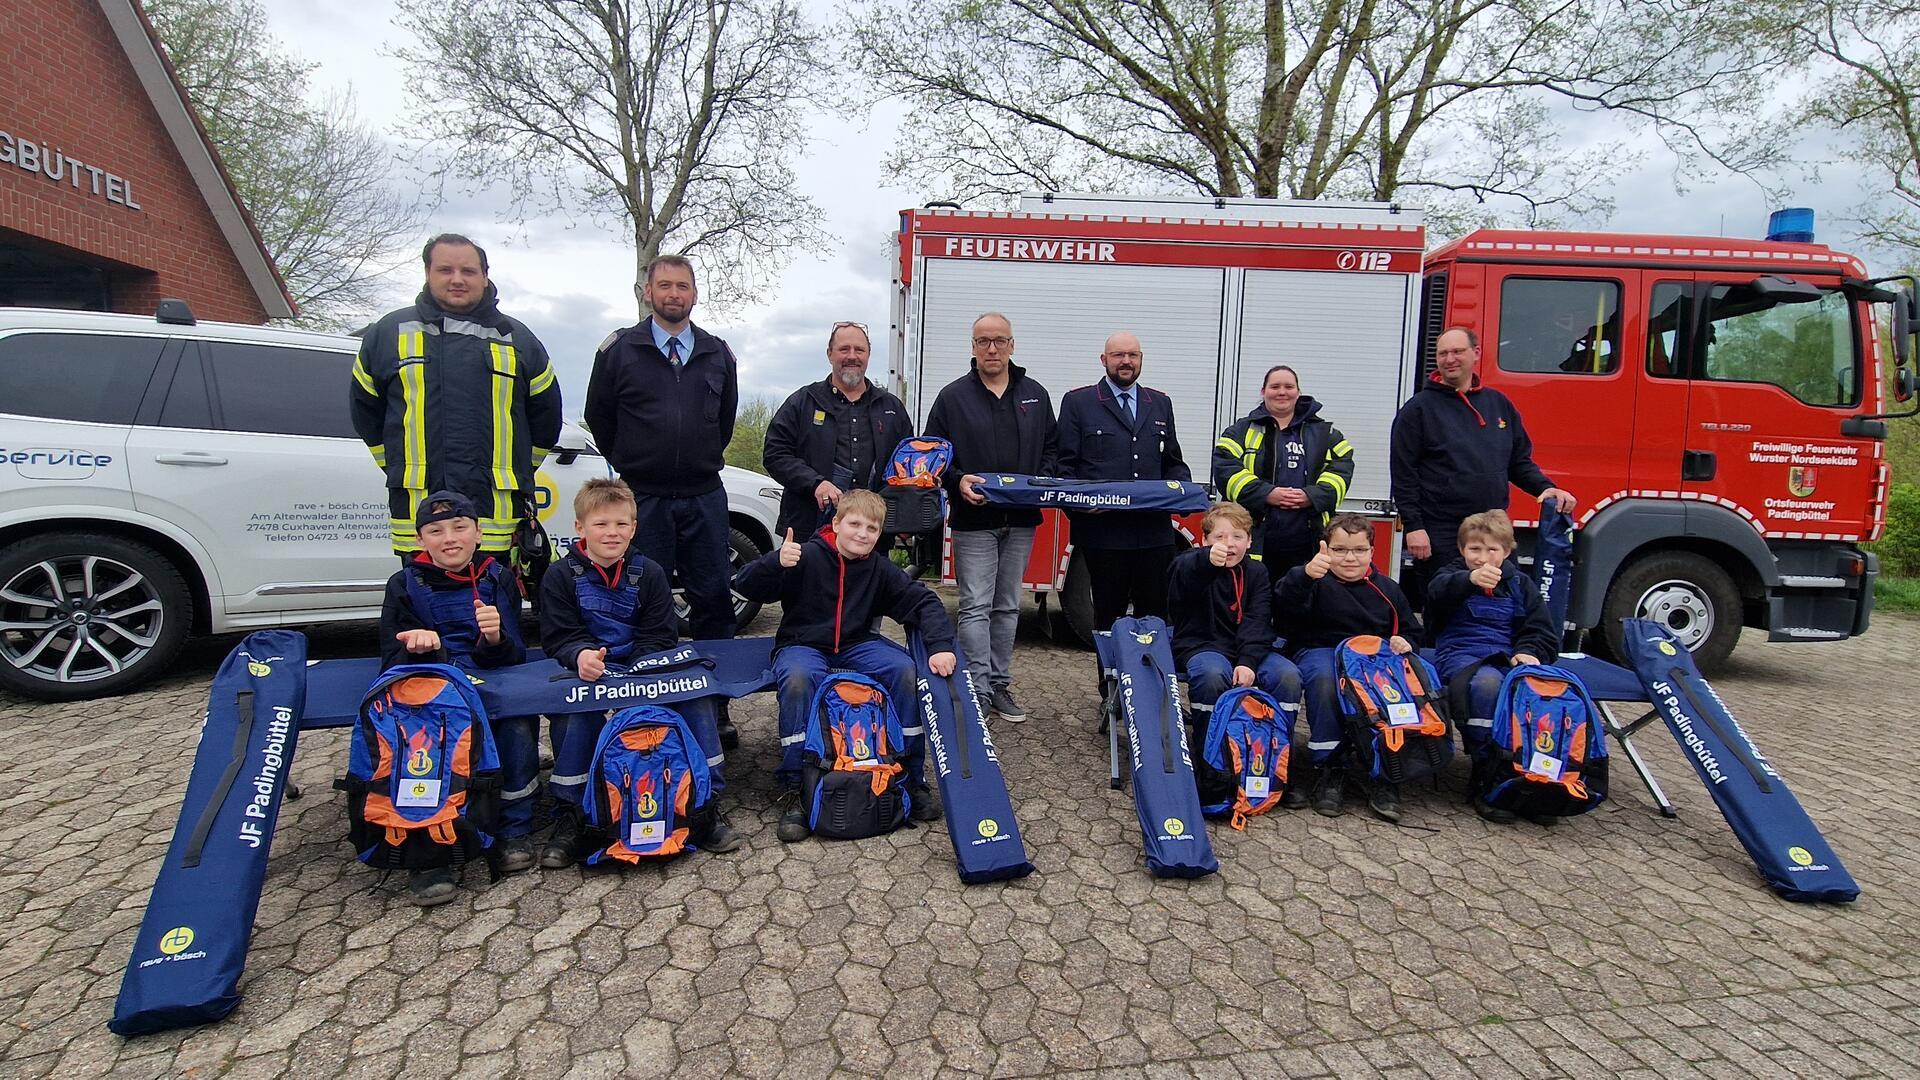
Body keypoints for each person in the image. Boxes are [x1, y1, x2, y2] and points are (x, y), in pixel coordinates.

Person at [733, 490, 957, 841]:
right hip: (802, 644)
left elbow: (923, 601)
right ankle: (797, 788)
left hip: (857, 645)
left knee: (903, 669)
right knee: (798, 678)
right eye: (854, 524)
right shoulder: (804, 555)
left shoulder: (880, 568)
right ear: (836, 524)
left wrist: (940, 646)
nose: (862, 534)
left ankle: (910, 778)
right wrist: (775, 561)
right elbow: (744, 584)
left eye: (872, 528)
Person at [538, 479, 739, 866]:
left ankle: (705, 806)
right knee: (575, 718)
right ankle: (572, 817)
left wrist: (638, 675)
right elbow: (558, 636)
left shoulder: (650, 572)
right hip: (588, 672)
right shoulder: (559, 576)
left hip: (645, 666)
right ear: (580, 528)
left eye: (621, 525)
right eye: (601, 524)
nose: (612, 533)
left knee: (697, 701)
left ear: (633, 527)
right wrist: (579, 655)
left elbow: (660, 634)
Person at [351, 233, 562, 559]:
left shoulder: (519, 340)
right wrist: (401, 468)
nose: (457, 279)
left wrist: (517, 474)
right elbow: (366, 414)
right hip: (421, 510)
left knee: (494, 606)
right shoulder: (389, 333)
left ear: (485, 275)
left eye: (468, 271)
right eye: (445, 270)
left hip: (494, 513)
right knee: (423, 605)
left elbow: (546, 420)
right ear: (427, 273)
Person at [378, 491, 536, 903]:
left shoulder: (497, 577)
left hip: (489, 675)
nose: (449, 538)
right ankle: (431, 848)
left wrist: (495, 636)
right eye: (436, 531)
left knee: (517, 717)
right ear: (420, 540)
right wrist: (416, 646)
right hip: (431, 681)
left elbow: (514, 653)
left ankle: (512, 830)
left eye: (459, 527)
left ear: (479, 533)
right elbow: (388, 661)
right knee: (425, 732)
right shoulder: (403, 584)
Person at [583, 254, 740, 642]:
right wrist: (631, 461)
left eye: (682, 286)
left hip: (703, 496)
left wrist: (694, 458)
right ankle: (651, 687)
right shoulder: (619, 350)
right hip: (642, 499)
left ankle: (714, 694)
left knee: (714, 596)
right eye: (665, 285)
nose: (674, 294)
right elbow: (599, 415)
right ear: (648, 291)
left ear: (695, 295)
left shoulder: (717, 353)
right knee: (640, 598)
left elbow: (724, 420)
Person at [923, 312, 1057, 723]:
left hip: (1019, 520)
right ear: (973, 347)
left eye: (999, 341)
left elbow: (1053, 450)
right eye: (983, 341)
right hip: (973, 520)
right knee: (975, 605)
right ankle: (976, 688)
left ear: (1012, 345)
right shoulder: (952, 397)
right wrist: (958, 480)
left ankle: (1000, 684)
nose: (992, 348)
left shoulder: (1035, 395)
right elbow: (933, 455)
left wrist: (1042, 480)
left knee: (1007, 606)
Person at [1390, 326, 1575, 609]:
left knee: (1502, 605)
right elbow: (1404, 475)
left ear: (1475, 353)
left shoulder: (1499, 405)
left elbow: (1518, 462)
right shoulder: (1418, 410)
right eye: (1443, 353)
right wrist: (1415, 527)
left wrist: (1546, 487)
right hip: (1441, 531)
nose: (1449, 359)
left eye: (1457, 351)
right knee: (1444, 607)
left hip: (1493, 530)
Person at [1275, 514, 1422, 822]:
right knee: (1327, 680)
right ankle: (1331, 768)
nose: (1349, 558)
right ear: (1326, 549)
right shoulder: (1313, 579)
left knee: (1395, 688)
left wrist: (1404, 642)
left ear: (1372, 551)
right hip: (1320, 650)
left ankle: (1386, 773)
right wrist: (1303, 576)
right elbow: (1283, 607)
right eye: (1340, 550)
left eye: (1358, 550)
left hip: (1373, 659)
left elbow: (1411, 632)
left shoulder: (1388, 590)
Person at [1424, 510, 1561, 824]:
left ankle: (1532, 779)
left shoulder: (1521, 585)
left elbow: (1542, 632)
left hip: (1510, 657)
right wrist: (1467, 581)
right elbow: (1435, 598)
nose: (1482, 557)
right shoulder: (1449, 575)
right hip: (1461, 655)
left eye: (1491, 550)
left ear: (1507, 551)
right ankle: (1486, 777)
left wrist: (1529, 651)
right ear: (1462, 550)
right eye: (1474, 549)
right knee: (1486, 685)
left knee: (1541, 693)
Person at [1167, 502, 1305, 803]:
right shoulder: (1191, 563)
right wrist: (1205, 561)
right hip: (1202, 645)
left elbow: (1258, 620)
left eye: (1238, 537)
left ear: (1250, 541)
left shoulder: (1257, 572)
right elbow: (1179, 583)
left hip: (1248, 650)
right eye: (1219, 537)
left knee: (1288, 675)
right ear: (1205, 540)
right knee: (1213, 675)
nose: (1229, 545)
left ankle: (1277, 768)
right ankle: (1211, 768)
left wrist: (1247, 661)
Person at [1056, 331, 1190, 629]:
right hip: (1103, 534)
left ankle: (1149, 676)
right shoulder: (1079, 402)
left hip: (1153, 533)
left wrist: (1183, 491)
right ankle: (1111, 677)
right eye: (1118, 355)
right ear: (1104, 360)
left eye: (1132, 355)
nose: (1126, 361)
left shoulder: (1159, 403)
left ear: (1141, 359)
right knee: (1108, 617)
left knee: (1155, 618)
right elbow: (1063, 467)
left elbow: (1173, 463)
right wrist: (1079, 507)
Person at [762, 321, 912, 542]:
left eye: (859, 350)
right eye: (844, 349)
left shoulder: (891, 408)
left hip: (870, 533)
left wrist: (902, 513)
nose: (852, 356)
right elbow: (775, 455)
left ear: (868, 355)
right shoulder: (803, 402)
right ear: (829, 354)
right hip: (809, 528)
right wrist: (815, 483)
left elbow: (908, 464)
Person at [1214, 365, 1356, 578]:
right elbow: (1225, 469)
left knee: (1300, 605)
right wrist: (1267, 493)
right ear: (1264, 392)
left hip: (1308, 543)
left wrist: (1311, 496)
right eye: (1275, 386)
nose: (1282, 392)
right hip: (1255, 541)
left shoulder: (1326, 434)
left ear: (1298, 392)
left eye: (1289, 386)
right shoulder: (1240, 431)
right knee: (1254, 602)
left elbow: (1341, 469)